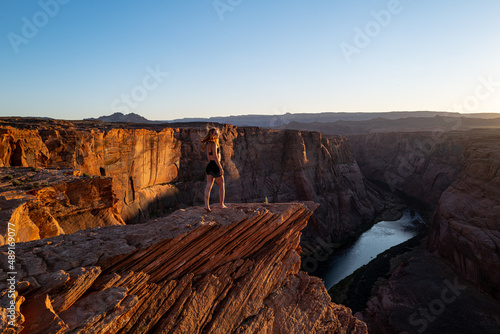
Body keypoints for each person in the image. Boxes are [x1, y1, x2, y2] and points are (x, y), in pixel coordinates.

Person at [201, 128, 227, 212]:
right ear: (211, 135)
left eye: (217, 133)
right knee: (222, 185)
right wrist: (220, 168)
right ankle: (221, 204)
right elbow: (215, 157)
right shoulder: (215, 145)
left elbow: (209, 157)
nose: (217, 135)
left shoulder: (208, 144)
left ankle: (206, 205)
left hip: (210, 165)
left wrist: (212, 164)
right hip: (215, 165)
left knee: (208, 185)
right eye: (215, 133)